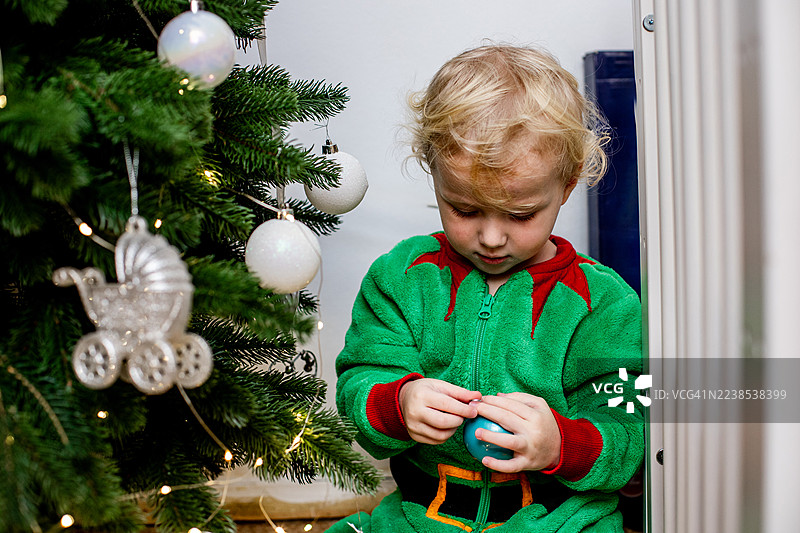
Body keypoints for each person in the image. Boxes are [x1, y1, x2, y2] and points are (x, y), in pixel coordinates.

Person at [330, 44, 644, 533]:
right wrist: (400, 402)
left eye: (520, 215)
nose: (492, 238)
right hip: (422, 514)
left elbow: (632, 434)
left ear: (566, 185)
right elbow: (359, 379)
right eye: (464, 209)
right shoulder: (403, 277)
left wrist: (559, 443)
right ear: (433, 173)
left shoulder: (602, 303)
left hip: (558, 518)